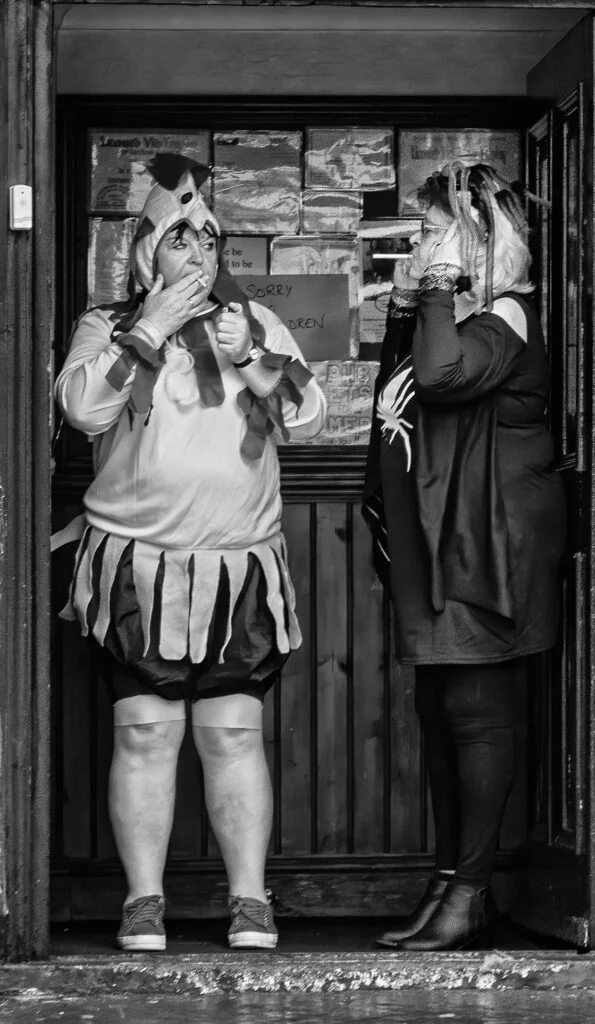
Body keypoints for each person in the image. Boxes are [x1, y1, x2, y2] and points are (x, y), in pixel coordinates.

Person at [55, 154, 326, 953]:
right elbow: (81, 408)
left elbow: (307, 415)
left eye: (211, 238)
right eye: (183, 238)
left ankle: (249, 901)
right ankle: (144, 902)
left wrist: (249, 356)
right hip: (137, 568)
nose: (202, 252)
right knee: (145, 733)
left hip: (240, 570)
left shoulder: (254, 324)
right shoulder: (109, 323)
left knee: (234, 735)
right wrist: (149, 331)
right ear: (149, 253)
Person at [363, 162, 566, 951]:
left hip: (490, 548)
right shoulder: (457, 314)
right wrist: (416, 300)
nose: (418, 246)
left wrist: (440, 280)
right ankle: (450, 881)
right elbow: (397, 383)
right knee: (442, 715)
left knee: (477, 718)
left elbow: (441, 378)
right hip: (450, 542)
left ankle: (471, 892)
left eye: (432, 232)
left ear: (478, 245)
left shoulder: (508, 317)